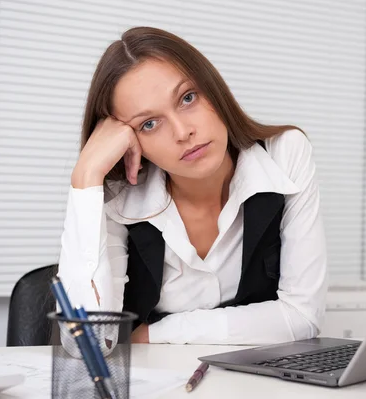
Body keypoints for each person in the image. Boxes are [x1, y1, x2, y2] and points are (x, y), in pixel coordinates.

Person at [57, 26, 328, 346]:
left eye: (187, 98)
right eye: (149, 123)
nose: (183, 131)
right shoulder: (119, 198)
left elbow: (303, 315)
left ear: (212, 87)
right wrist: (86, 178)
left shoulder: (285, 155)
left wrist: (155, 334)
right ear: (133, 142)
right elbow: (87, 343)